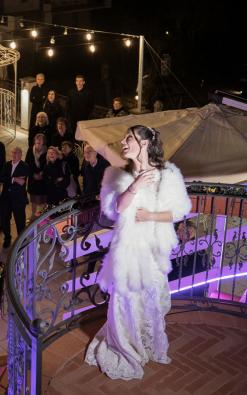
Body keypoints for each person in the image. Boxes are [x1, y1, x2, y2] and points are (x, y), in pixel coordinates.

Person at [84, 125, 192, 380]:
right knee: (124, 303)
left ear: (144, 143)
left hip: (153, 251)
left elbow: (180, 211)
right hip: (127, 251)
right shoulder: (116, 174)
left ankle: (146, 344)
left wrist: (151, 216)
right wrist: (134, 186)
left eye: (129, 138)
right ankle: (124, 346)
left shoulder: (168, 174)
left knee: (150, 301)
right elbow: (114, 210)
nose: (123, 141)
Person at [0, 147, 32, 248]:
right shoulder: (6, 165)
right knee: (5, 220)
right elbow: (0, 178)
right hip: (5, 198)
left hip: (18, 199)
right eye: (12, 152)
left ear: (21, 155)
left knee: (20, 221)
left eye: (16, 152)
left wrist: (8, 180)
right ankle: (7, 238)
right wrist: (14, 179)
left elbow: (21, 181)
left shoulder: (25, 166)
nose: (13, 154)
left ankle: (21, 240)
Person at [26, 134, 48, 220]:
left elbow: (49, 163)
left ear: (44, 141)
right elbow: (27, 164)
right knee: (34, 198)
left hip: (43, 178)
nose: (38, 141)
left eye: (41, 139)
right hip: (33, 178)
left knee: (44, 197)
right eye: (36, 139)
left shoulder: (47, 150)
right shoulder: (30, 150)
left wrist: (43, 173)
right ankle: (33, 215)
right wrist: (33, 174)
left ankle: (44, 215)